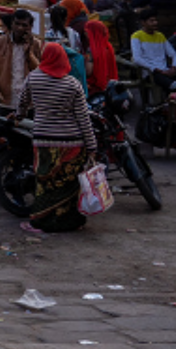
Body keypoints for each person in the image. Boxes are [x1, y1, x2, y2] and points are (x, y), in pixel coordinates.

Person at [22, 40, 95, 234]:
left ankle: (40, 223)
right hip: (72, 143)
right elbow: (83, 118)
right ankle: (71, 222)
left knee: (45, 184)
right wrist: (92, 145)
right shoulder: (73, 84)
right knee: (69, 184)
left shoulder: (33, 78)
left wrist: (18, 116)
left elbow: (22, 104)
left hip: (44, 142)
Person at [129, 12, 176, 91]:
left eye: (156, 20)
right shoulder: (136, 36)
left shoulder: (160, 36)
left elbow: (174, 55)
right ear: (143, 22)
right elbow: (137, 58)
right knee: (175, 86)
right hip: (151, 72)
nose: (155, 23)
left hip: (165, 70)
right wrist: (154, 69)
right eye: (151, 21)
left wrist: (174, 67)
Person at [83, 18, 120, 94]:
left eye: (87, 32)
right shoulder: (108, 47)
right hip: (109, 84)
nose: (85, 34)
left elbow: (88, 71)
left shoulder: (91, 50)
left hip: (95, 86)